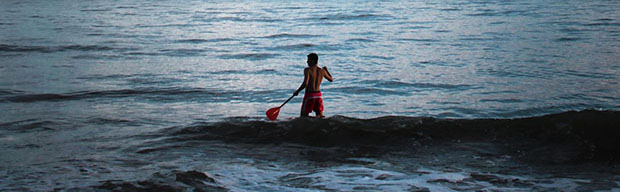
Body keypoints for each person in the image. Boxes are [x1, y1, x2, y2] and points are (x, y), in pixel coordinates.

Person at [293, 53, 333, 118]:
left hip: (309, 96)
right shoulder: (322, 71)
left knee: (303, 117)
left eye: (308, 60)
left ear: (313, 61)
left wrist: (297, 91)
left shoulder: (308, 70)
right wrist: (326, 70)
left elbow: (305, 83)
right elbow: (331, 79)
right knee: (320, 117)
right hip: (318, 96)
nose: (307, 61)